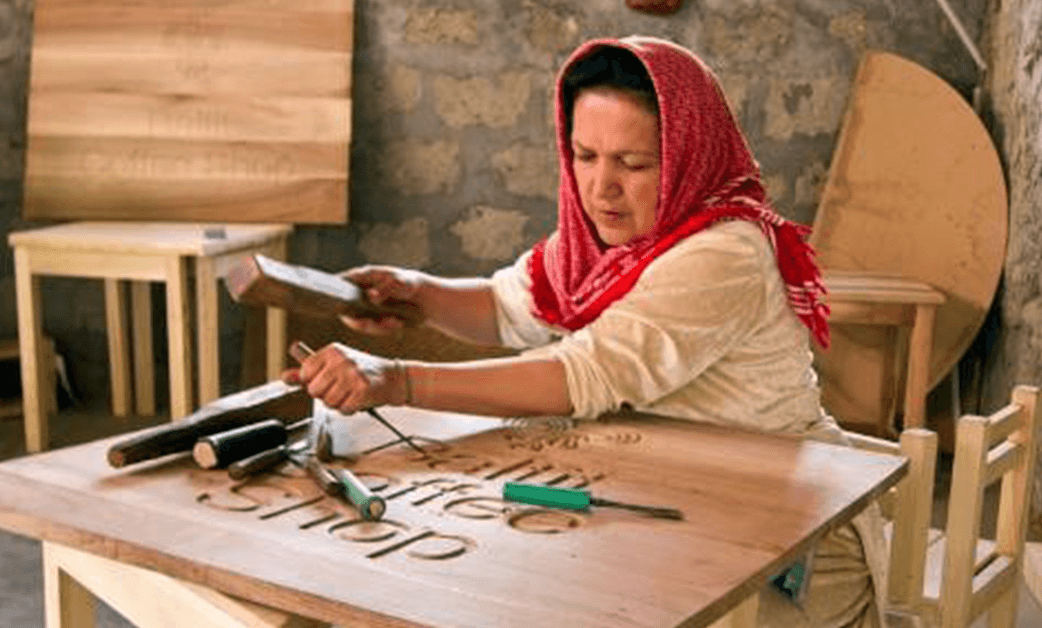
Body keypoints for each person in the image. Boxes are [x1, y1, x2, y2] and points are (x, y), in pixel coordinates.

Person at [282, 36, 886, 628]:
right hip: (675, 497)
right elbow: (507, 305)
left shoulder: (724, 251)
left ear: (690, 157)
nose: (601, 187)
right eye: (584, 155)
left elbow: (584, 375)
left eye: (634, 164)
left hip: (786, 527)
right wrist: (417, 295)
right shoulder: (596, 245)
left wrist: (396, 380)